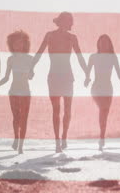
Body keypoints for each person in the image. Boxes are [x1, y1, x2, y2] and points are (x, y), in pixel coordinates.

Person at [30, 12, 87, 153]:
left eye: (70, 21)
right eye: (67, 20)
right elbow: (39, 52)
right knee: (56, 109)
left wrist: (87, 73)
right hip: (54, 76)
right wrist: (31, 68)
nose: (69, 23)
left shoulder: (72, 38)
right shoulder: (50, 35)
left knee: (67, 110)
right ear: (60, 21)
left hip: (68, 76)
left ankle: (64, 137)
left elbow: (80, 56)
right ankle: (57, 141)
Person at [84, 34, 120, 151]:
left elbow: (119, 73)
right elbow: (87, 72)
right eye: (101, 42)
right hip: (96, 88)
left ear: (109, 44)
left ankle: (102, 137)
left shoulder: (112, 57)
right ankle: (101, 137)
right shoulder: (93, 57)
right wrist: (86, 79)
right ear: (98, 44)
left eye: (106, 42)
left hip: (108, 88)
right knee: (103, 109)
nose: (103, 44)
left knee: (104, 113)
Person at [0, 31, 33, 154]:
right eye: (15, 42)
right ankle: (16, 137)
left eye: (20, 42)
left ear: (25, 43)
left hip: (25, 92)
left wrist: (31, 74)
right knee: (16, 117)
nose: (18, 45)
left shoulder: (30, 59)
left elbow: (31, 76)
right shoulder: (10, 59)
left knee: (24, 118)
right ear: (11, 44)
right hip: (14, 91)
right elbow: (6, 77)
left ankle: (21, 145)